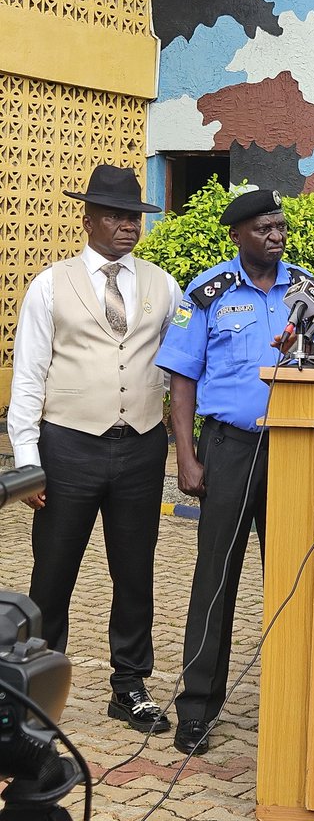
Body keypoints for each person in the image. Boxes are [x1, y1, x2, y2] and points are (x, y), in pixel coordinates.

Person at [6, 164, 179, 732]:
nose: (126, 225)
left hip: (142, 447)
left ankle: (129, 686)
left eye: (133, 215)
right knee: (52, 574)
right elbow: (29, 376)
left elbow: (179, 367)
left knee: (135, 573)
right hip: (67, 448)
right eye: (113, 214)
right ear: (88, 220)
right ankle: (33, 693)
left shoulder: (162, 284)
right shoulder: (51, 284)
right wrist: (28, 461)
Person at [155, 188, 306, 756]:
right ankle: (197, 707)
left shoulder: (307, 289)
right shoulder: (208, 292)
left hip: (295, 448)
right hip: (228, 447)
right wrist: (186, 454)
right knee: (215, 578)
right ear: (237, 235)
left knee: (290, 578)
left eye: (280, 226)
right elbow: (182, 379)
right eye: (264, 228)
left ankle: (290, 701)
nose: (276, 236)